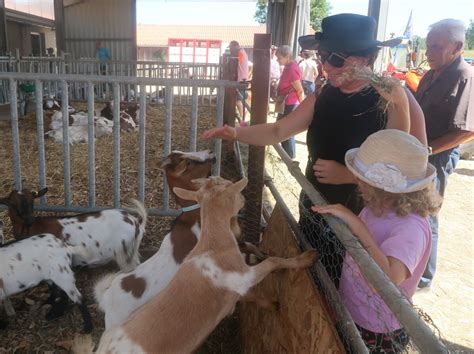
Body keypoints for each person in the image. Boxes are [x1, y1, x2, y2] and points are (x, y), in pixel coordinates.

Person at [203, 13, 427, 286]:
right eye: (322, 57)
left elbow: (396, 171)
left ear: (363, 59)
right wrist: (236, 133)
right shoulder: (324, 94)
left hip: (358, 213)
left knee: (342, 282)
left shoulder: (386, 98)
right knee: (312, 273)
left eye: (335, 58)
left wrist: (348, 175)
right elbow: (278, 131)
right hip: (314, 202)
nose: (326, 66)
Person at [312, 129, 441, 353]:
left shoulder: (411, 228)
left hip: (379, 329)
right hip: (355, 309)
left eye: (361, 177)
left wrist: (356, 224)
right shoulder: (379, 206)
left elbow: (389, 279)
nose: (357, 180)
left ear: (381, 185)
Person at [414, 19, 474, 289]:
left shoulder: (464, 75)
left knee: (427, 213)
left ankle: (424, 278)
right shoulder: (430, 74)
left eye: (436, 47)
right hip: (418, 152)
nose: (429, 53)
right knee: (411, 210)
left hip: (436, 157)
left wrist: (428, 149)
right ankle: (412, 266)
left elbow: (467, 131)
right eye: (428, 46)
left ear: (457, 47)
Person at [275, 45, 304, 158]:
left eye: (279, 58)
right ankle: (285, 153)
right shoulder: (288, 67)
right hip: (286, 103)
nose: (277, 60)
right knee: (282, 127)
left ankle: (290, 155)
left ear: (287, 56)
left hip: (290, 104)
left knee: (287, 129)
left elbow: (300, 90)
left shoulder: (291, 69)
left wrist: (302, 106)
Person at [229, 40, 249, 120]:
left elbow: (234, 61)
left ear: (235, 46)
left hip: (241, 79)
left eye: (231, 47)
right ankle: (242, 114)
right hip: (243, 78)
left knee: (238, 100)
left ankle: (242, 118)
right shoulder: (242, 52)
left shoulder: (240, 53)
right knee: (239, 99)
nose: (230, 50)